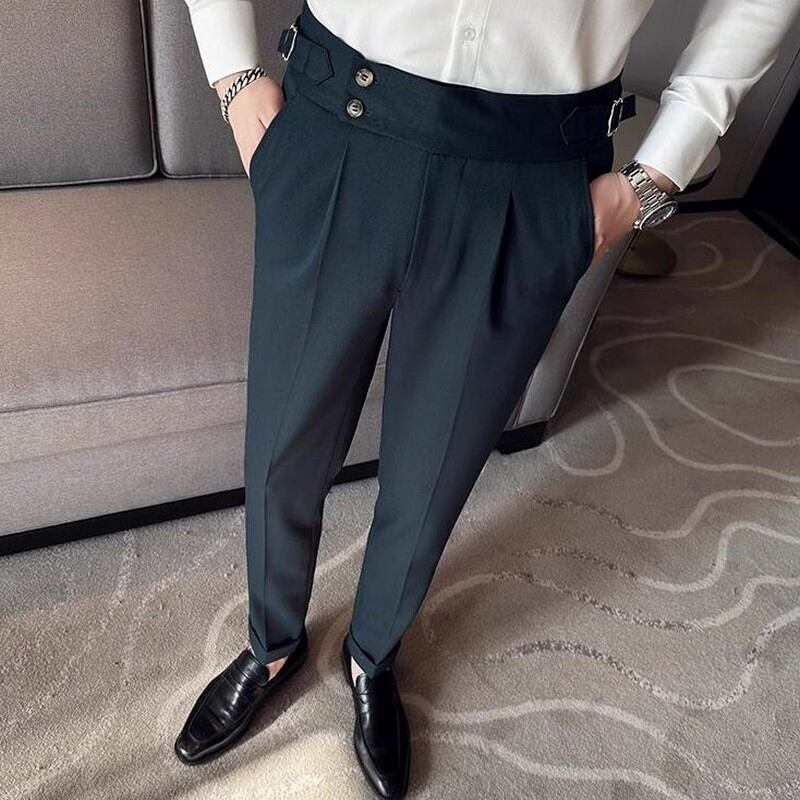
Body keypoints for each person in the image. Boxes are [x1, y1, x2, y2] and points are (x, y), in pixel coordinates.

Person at [173, 1, 800, 796]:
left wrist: (659, 171)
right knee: (282, 443)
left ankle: (373, 655)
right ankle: (270, 642)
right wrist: (234, 73)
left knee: (435, 468)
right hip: (339, 121)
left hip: (532, 166)